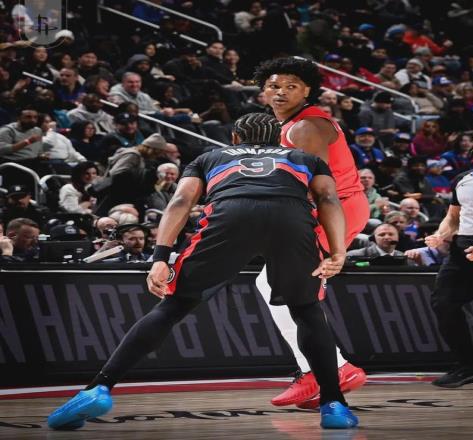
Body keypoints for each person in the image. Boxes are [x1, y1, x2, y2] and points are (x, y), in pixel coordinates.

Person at [47, 113, 359, 430]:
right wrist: (337, 251)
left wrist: (160, 257)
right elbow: (328, 198)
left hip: (230, 215)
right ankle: (333, 404)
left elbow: (181, 201)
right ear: (278, 140)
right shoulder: (304, 158)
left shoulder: (211, 156)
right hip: (290, 220)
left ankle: (99, 387)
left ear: (235, 138)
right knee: (306, 310)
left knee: (173, 306)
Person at [253, 57, 370, 409]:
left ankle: (327, 370)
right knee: (276, 285)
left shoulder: (305, 127)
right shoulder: (291, 124)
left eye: (291, 86)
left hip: (333, 208)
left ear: (307, 91)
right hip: (335, 207)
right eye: (274, 86)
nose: (281, 92)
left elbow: (314, 183)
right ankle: (325, 370)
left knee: (285, 286)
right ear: (263, 90)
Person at [426, 126, 473, 391]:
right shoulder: (462, 179)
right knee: (443, 303)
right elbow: (453, 217)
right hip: (462, 251)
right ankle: (468, 367)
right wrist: (441, 234)